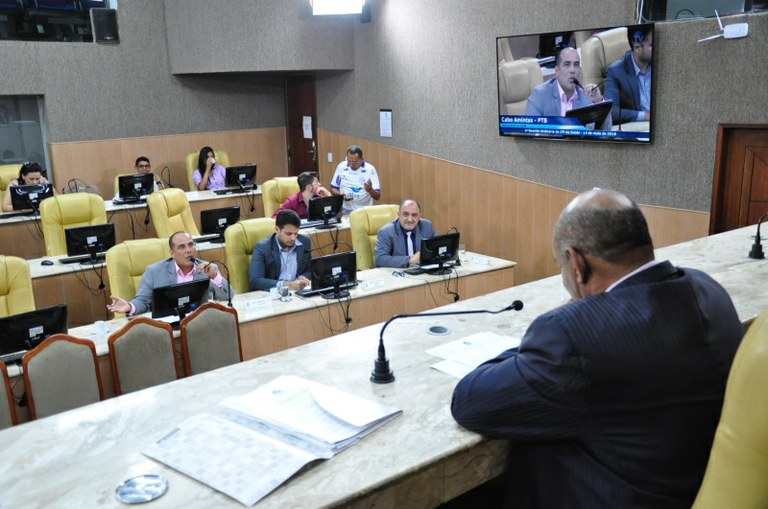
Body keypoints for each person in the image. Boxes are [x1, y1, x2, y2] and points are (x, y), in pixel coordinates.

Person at [451, 189, 744, 509]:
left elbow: (470, 401)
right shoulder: (707, 289)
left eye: (560, 265)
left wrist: (569, 313)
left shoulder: (574, 335)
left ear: (577, 264)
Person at [107, 231, 231, 316]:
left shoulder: (208, 269)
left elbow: (228, 297)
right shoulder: (154, 272)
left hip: (201, 323)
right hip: (168, 327)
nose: (188, 250)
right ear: (172, 253)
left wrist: (214, 276)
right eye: (182, 247)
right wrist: (129, 306)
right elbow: (143, 301)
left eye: (191, 245)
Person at [525, 47, 612, 130]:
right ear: (557, 71)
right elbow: (530, 132)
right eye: (567, 64)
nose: (572, 70)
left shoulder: (587, 97)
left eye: (576, 65)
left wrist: (599, 101)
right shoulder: (540, 95)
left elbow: (606, 131)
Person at [248, 209, 312, 292]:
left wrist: (303, 278)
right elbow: (255, 281)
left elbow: (310, 270)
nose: (293, 238)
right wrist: (286, 285)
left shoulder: (304, 242)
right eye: (288, 234)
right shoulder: (262, 248)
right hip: (273, 294)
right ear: (277, 230)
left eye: (296, 233)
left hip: (297, 293)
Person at [605, 25, 653, 125]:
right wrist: (646, 116)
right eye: (651, 45)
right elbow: (611, 111)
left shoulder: (660, 63)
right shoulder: (615, 71)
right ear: (637, 47)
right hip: (639, 128)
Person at [375, 199, 435, 268]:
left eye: (414, 215)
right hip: (397, 273)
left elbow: (436, 251)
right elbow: (380, 259)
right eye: (405, 214)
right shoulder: (386, 232)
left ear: (419, 216)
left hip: (422, 272)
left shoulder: (427, 226)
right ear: (398, 214)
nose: (410, 219)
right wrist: (408, 260)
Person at [330, 144, 381, 214]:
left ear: (362, 159)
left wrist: (370, 190)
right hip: (345, 210)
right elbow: (332, 189)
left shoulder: (370, 169)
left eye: (355, 162)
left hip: (364, 211)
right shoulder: (341, 166)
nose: (351, 164)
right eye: (349, 161)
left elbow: (377, 196)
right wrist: (340, 194)